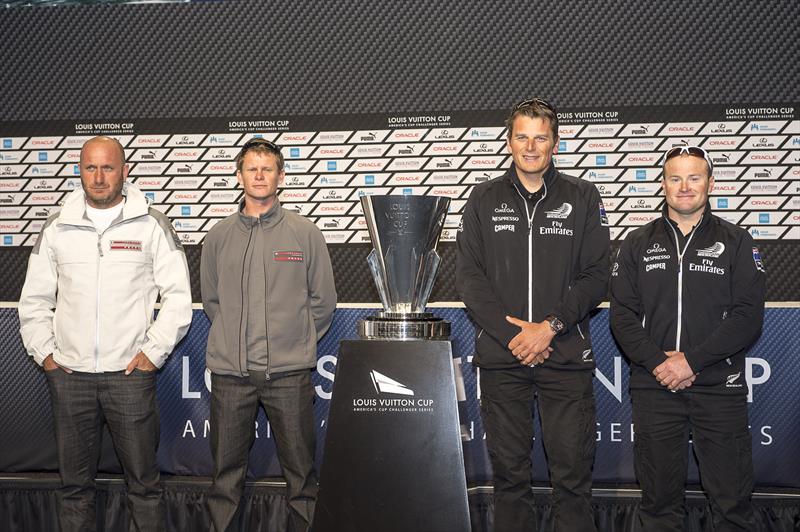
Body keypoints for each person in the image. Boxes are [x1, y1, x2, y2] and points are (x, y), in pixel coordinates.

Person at [18, 135, 193, 532]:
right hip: (70, 376)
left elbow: (179, 298)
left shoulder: (151, 223)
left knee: (144, 486)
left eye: (107, 168)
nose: (98, 178)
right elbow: (34, 300)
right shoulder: (57, 224)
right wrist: (47, 354)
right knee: (75, 488)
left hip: (129, 376)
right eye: (89, 168)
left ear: (124, 171)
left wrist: (152, 352)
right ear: (79, 171)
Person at [456, 98, 610, 532]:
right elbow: (470, 280)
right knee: (510, 480)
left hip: (563, 356)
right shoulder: (483, 197)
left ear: (555, 143)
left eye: (540, 137)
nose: (530, 146)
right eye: (522, 136)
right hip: (504, 360)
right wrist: (516, 339)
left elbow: (597, 275)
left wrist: (549, 328)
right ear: (509, 142)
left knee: (573, 480)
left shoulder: (582, 196)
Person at [610, 145, 766, 531]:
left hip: (719, 389)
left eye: (694, 178)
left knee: (732, 506)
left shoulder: (737, 241)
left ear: (710, 184)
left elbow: (748, 317)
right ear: (662, 185)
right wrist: (662, 364)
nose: (684, 187)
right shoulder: (636, 243)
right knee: (659, 507)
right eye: (675, 178)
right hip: (656, 389)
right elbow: (622, 316)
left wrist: (691, 361)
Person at [201, 137, 336, 532]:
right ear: (239, 175)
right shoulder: (219, 236)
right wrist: (233, 342)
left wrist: (295, 342)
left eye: (267, 168)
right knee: (225, 479)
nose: (259, 175)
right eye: (251, 168)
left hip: (289, 377)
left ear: (281, 176)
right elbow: (212, 300)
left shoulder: (304, 233)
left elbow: (322, 301)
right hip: (231, 378)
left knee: (301, 480)